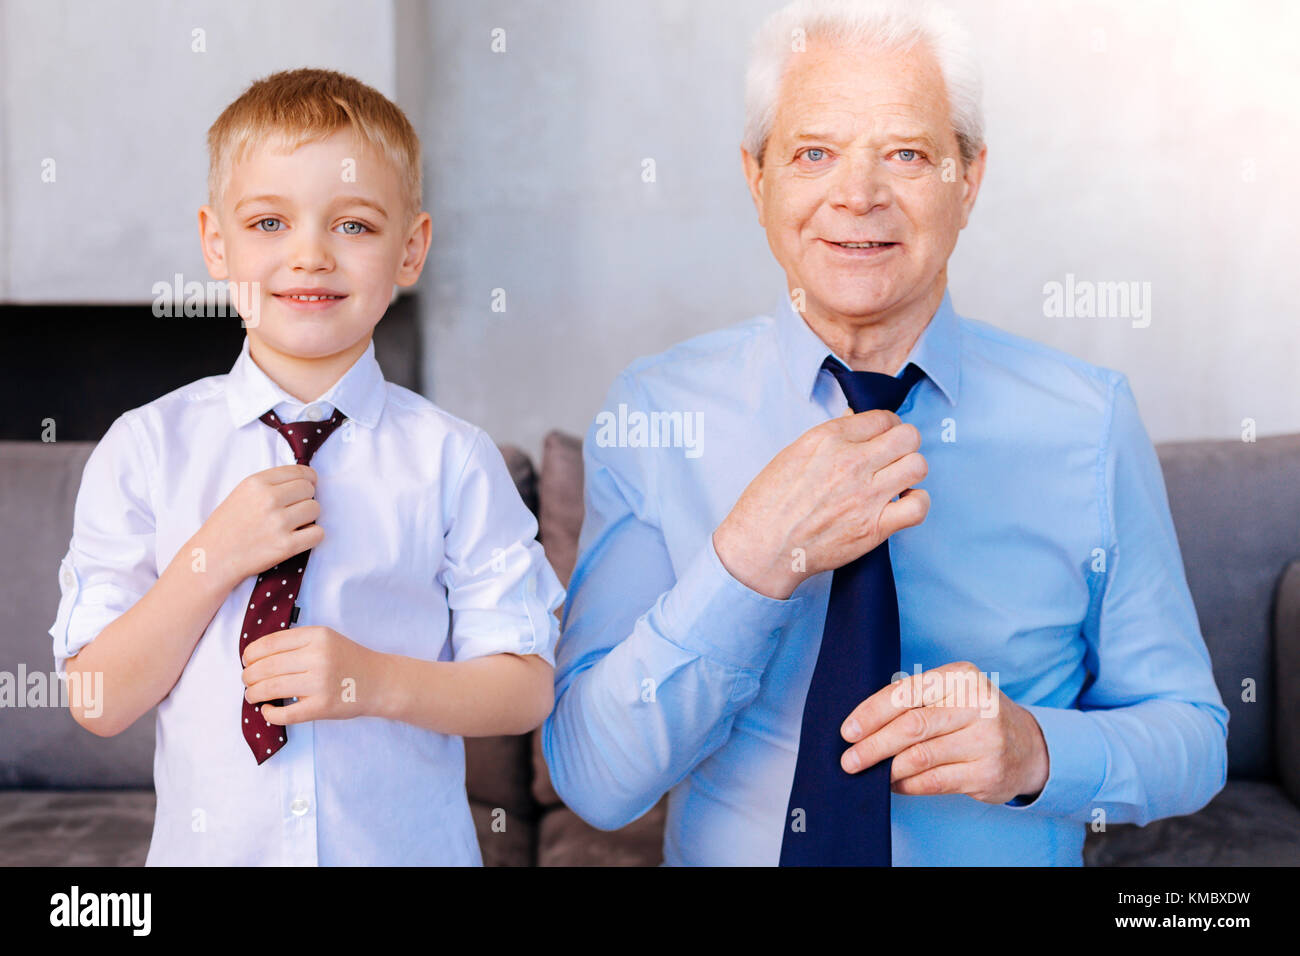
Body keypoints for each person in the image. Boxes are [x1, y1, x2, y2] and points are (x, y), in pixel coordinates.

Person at [543, 0, 1229, 865]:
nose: (857, 195)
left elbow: (1194, 738)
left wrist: (1036, 751)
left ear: (969, 178)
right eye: (814, 154)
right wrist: (749, 560)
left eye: (905, 154)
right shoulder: (653, 414)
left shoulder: (1088, 422)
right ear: (758, 179)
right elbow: (593, 778)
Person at [49, 68, 564, 865]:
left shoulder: (452, 459)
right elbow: (96, 700)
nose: (310, 255)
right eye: (268, 222)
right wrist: (209, 558)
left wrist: (372, 680)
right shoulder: (146, 448)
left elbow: (524, 688)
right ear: (215, 245)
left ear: (411, 249)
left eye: (354, 226)